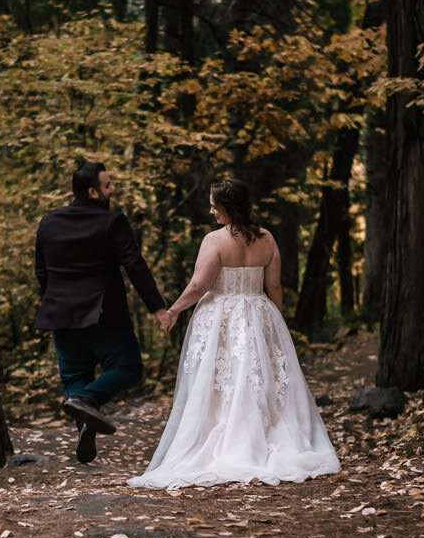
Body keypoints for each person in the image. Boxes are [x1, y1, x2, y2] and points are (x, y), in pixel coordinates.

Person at [128, 179, 340, 488]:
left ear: (228, 207)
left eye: (215, 205)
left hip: (221, 317)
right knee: (256, 380)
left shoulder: (214, 241)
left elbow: (199, 286)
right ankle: (260, 437)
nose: (211, 210)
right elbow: (274, 287)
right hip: (258, 313)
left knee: (221, 384)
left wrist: (173, 310)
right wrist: (276, 322)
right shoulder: (267, 239)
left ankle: (230, 440)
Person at [35, 162, 173, 464]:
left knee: (74, 375)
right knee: (129, 367)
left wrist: (54, 299)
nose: (113, 190)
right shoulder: (112, 221)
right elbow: (134, 264)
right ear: (93, 192)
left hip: (60, 313)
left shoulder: (48, 222)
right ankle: (88, 401)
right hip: (102, 312)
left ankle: (84, 420)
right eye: (108, 186)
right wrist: (158, 307)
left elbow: (41, 271)